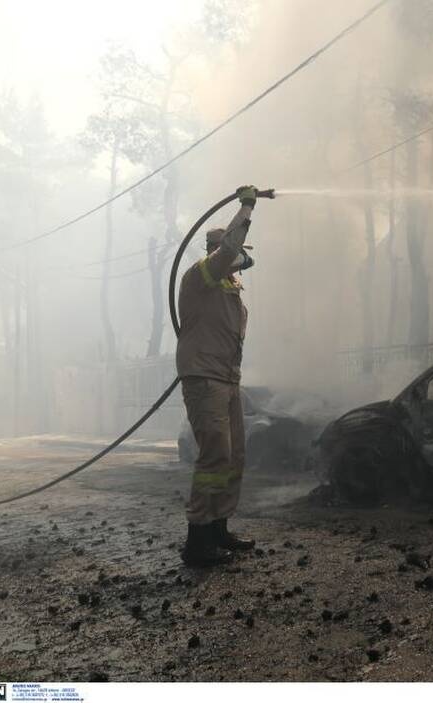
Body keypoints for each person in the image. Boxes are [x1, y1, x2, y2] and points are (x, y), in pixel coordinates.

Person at [176, 185, 260, 567]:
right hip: (205, 378)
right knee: (215, 456)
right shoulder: (202, 275)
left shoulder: (229, 288)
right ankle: (198, 540)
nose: (242, 259)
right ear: (221, 250)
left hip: (227, 380)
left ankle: (219, 529)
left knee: (234, 457)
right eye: (236, 251)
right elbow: (229, 251)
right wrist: (246, 208)